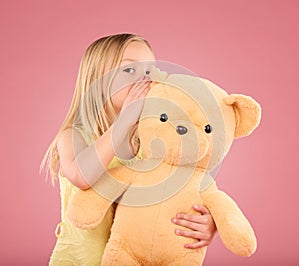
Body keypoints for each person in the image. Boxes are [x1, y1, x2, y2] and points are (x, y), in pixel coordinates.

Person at [41, 33, 217, 265]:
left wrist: (207, 222)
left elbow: (181, 190)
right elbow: (81, 177)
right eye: (129, 70)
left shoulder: (149, 141)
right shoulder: (73, 136)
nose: (142, 79)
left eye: (148, 71)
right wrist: (125, 120)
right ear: (97, 79)